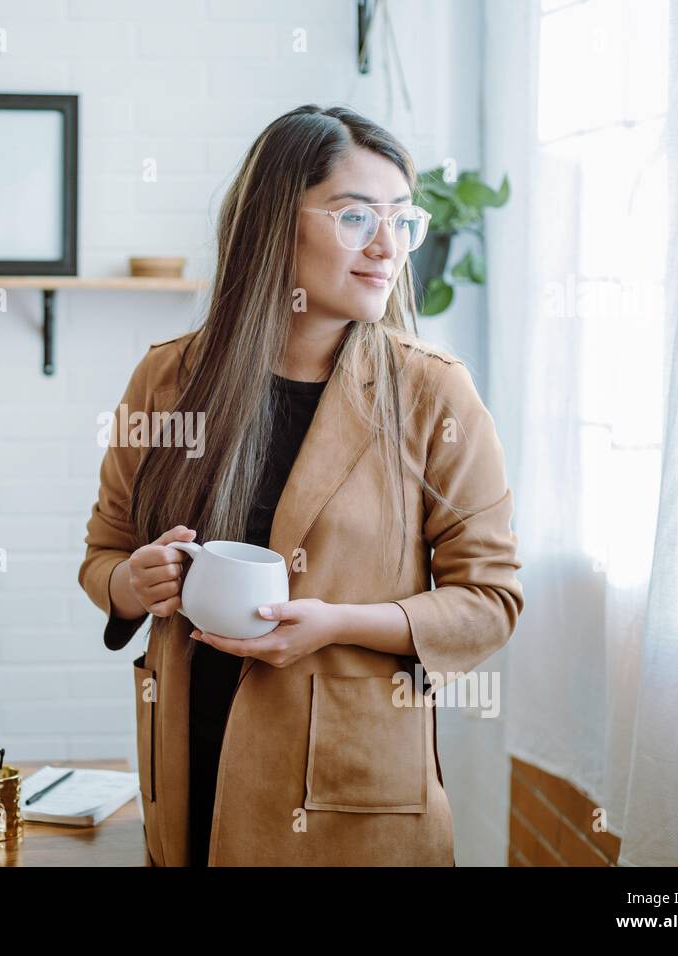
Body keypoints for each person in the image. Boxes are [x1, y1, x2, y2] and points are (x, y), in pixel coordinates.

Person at [78, 104, 524, 866]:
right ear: (273, 223)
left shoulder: (433, 395)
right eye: (356, 217)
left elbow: (489, 602)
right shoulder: (167, 381)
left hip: (353, 799)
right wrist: (132, 580)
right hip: (192, 767)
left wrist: (338, 623)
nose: (388, 247)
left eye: (400, 220)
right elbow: (104, 557)